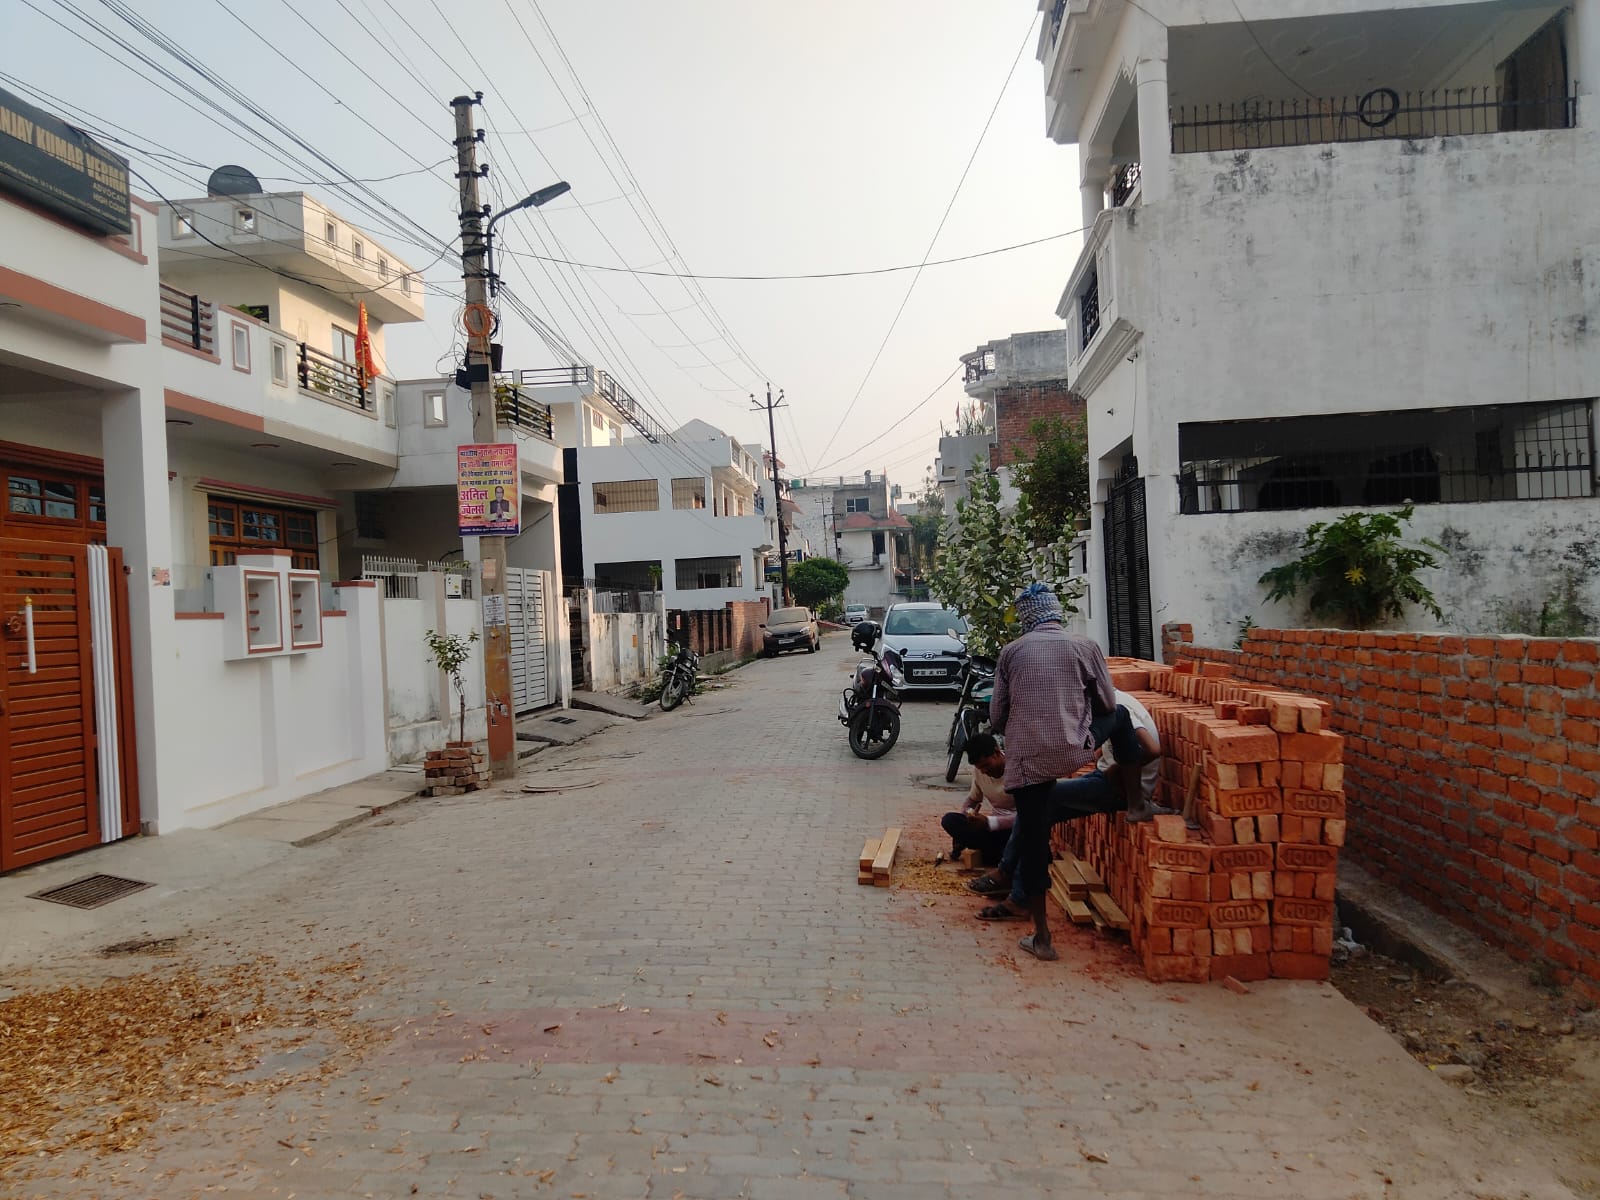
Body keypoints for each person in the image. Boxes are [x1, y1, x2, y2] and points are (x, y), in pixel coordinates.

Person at [988, 582, 1118, 962]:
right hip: (1076, 749)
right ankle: (1134, 792)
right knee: (1122, 716)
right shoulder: (1085, 646)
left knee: (1034, 840)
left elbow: (997, 717)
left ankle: (1042, 937)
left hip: (1029, 762)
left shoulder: (1012, 652)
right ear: (1057, 613)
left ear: (1026, 617)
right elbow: (1108, 702)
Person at [970, 689, 1166, 921]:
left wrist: (1117, 768)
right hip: (1105, 779)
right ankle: (1019, 896)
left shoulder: (1119, 707)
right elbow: (1107, 745)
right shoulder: (1105, 703)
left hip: (1122, 789)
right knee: (1038, 813)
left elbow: (1152, 750)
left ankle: (1007, 874)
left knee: (1037, 799)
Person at [940, 733, 1014, 866]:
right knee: (950, 820)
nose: (984, 771)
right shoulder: (979, 771)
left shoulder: (1016, 769)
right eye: (980, 768)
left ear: (997, 753)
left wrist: (989, 822)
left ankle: (1000, 856)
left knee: (1020, 841)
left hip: (1016, 829)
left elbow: (1027, 816)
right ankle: (999, 855)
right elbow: (973, 800)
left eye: (986, 765)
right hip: (993, 830)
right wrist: (967, 816)